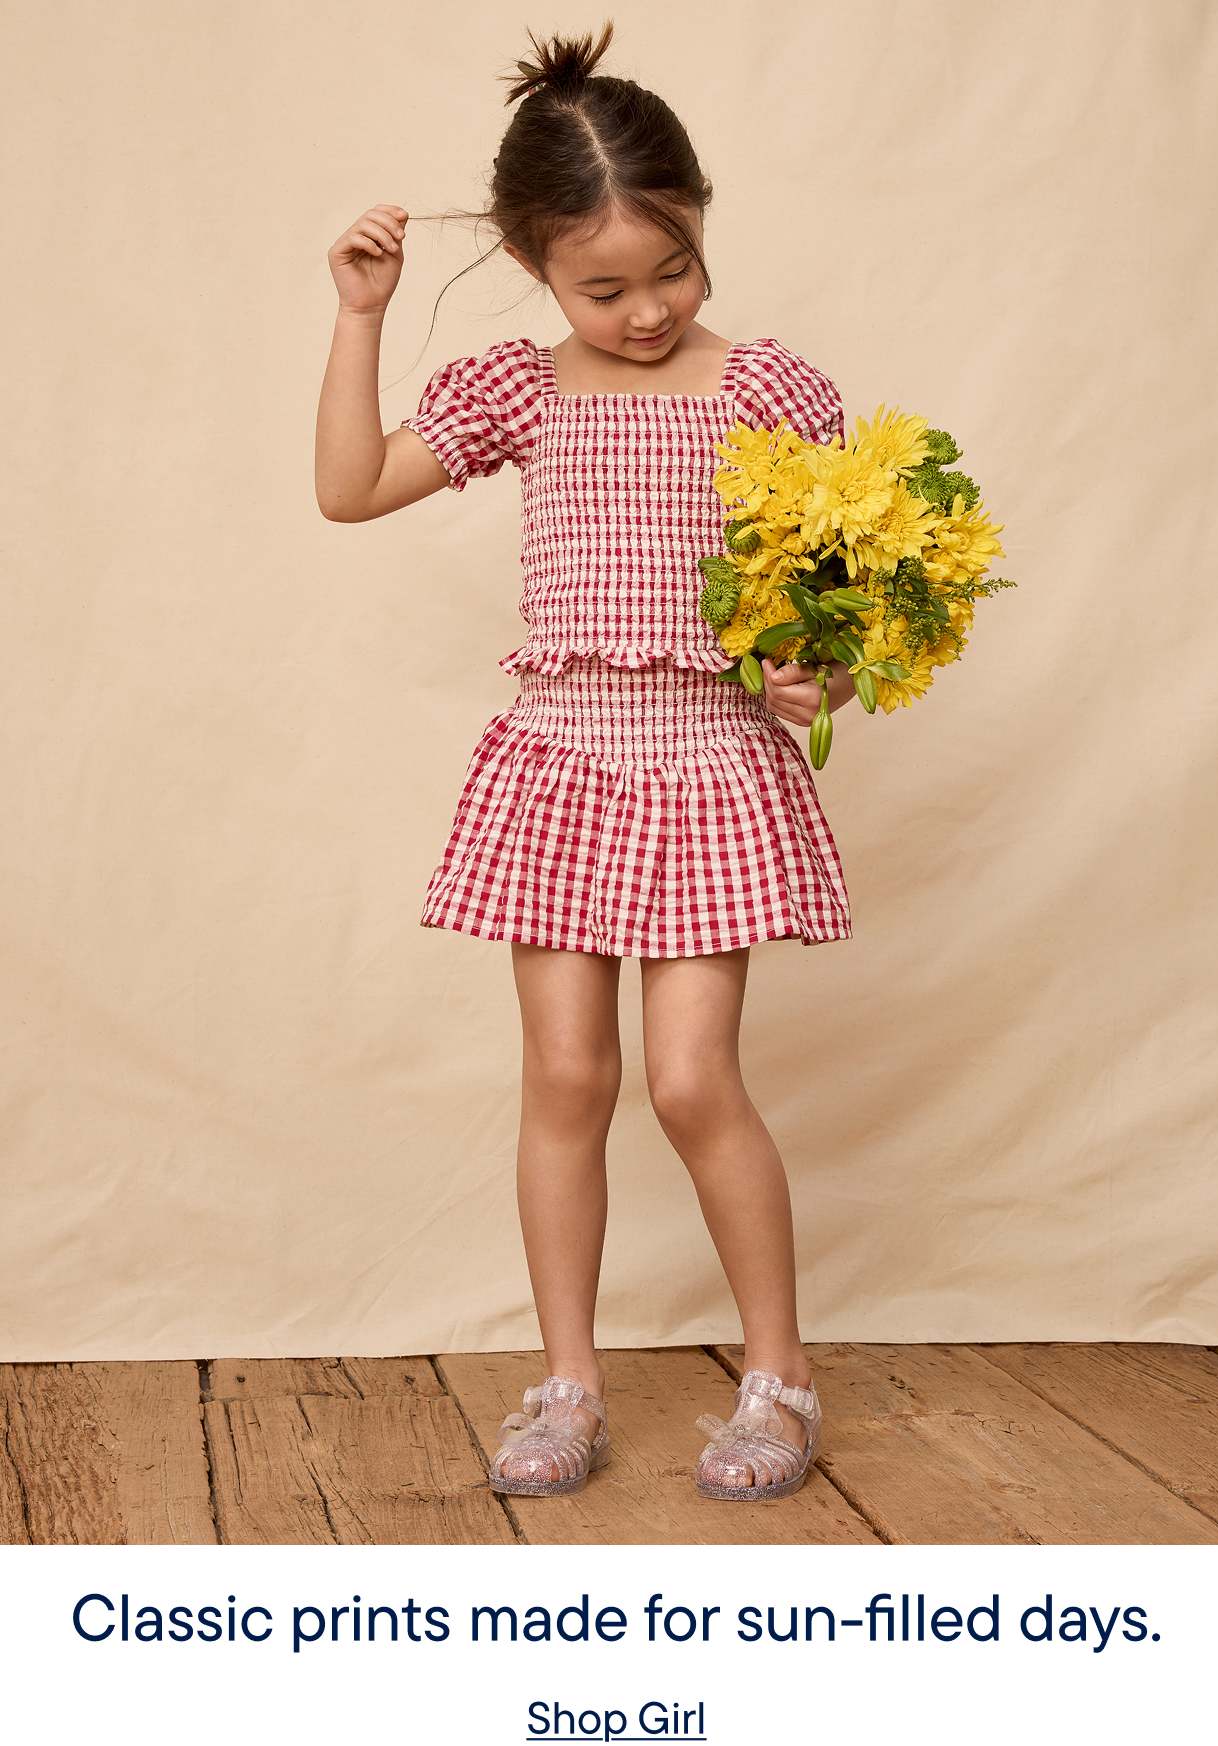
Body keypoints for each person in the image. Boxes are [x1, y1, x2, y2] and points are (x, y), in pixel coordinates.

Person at [315, 19, 858, 1504]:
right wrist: (364, 311)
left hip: (704, 758)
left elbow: (825, 616)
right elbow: (349, 489)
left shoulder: (769, 393)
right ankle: (567, 1383)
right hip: (561, 757)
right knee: (564, 1071)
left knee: (690, 1080)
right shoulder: (515, 388)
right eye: (601, 286)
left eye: (670, 270)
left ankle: (777, 1377)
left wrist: (821, 671)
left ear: (700, 224)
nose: (641, 310)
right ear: (533, 262)